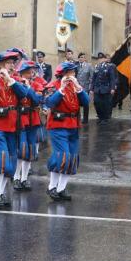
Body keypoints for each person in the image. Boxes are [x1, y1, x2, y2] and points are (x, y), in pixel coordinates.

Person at [0, 49, 34, 210]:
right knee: (0, 158)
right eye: (8, 63)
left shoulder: (17, 80)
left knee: (10, 162)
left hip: (12, 125)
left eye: (13, 63)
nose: (12, 66)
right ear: (0, 64)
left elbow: (24, 95)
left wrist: (10, 79)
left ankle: (1, 193)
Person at [44, 62, 89, 201]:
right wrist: (62, 89)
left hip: (73, 126)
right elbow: (49, 103)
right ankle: (52, 186)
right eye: (69, 72)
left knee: (72, 158)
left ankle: (61, 188)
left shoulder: (75, 87)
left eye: (73, 72)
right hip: (58, 125)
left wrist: (78, 88)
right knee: (62, 156)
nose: (72, 75)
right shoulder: (53, 86)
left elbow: (86, 102)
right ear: (62, 74)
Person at [12, 60, 44, 191]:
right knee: (21, 149)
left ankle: (24, 178)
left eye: (32, 72)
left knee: (30, 150)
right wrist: (22, 86)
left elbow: (37, 100)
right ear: (22, 73)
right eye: (29, 72)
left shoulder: (36, 85)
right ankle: (15, 177)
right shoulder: (15, 84)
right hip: (20, 119)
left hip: (33, 119)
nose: (32, 74)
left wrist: (29, 88)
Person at [91, 52, 117, 124]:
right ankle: (100, 117)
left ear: (105, 59)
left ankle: (105, 118)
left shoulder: (109, 67)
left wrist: (112, 88)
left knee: (105, 104)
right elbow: (93, 79)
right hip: (97, 89)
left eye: (101, 58)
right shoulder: (96, 67)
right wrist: (91, 89)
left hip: (106, 88)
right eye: (99, 58)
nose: (100, 60)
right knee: (97, 103)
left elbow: (112, 78)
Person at [75, 52, 94, 124]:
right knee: (77, 103)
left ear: (85, 58)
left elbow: (92, 77)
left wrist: (90, 87)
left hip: (85, 88)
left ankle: (85, 119)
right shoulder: (76, 66)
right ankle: (78, 118)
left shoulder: (89, 66)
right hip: (77, 88)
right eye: (80, 57)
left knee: (85, 103)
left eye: (82, 57)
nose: (81, 58)